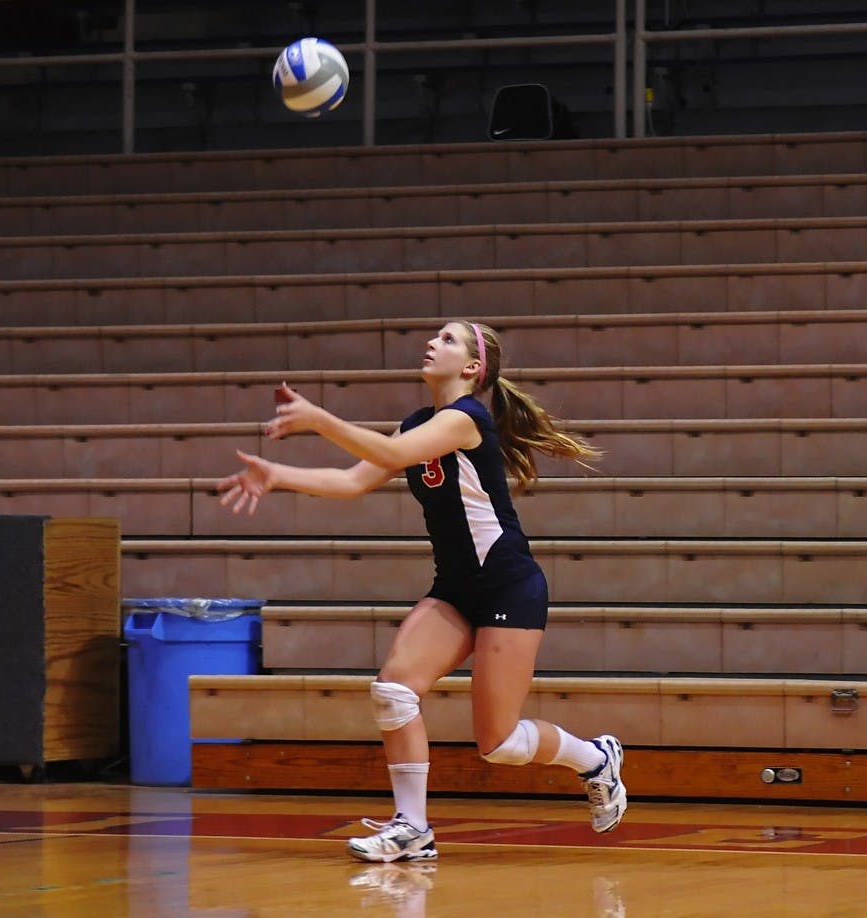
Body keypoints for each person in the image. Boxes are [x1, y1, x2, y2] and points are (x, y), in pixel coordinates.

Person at [217, 320, 627, 863]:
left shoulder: (466, 419)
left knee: (498, 744)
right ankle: (412, 827)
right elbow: (352, 481)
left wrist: (318, 419)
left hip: (510, 585)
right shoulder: (417, 424)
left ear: (473, 368)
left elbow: (390, 458)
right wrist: (278, 474)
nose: (433, 343)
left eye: (449, 340)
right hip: (456, 589)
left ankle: (595, 759)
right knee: (393, 691)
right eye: (435, 337)